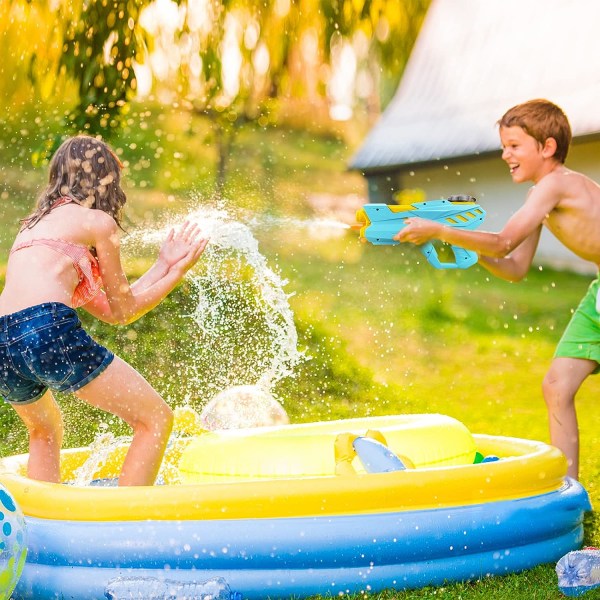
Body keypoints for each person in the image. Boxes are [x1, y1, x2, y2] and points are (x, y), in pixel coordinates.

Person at [395, 99, 600, 480]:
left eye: (515, 146)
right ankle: (568, 494)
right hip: (598, 295)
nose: (505, 154)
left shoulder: (556, 184)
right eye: (504, 145)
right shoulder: (541, 195)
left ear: (547, 147)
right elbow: (515, 267)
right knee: (556, 386)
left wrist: (440, 229)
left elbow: (504, 241)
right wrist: (462, 245)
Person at [0, 135, 208, 486]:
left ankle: (41, 529)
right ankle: (122, 527)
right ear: (105, 180)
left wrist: (161, 264)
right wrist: (176, 273)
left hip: (4, 339)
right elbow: (125, 312)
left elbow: (111, 308)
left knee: (44, 430)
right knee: (155, 419)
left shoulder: (33, 226)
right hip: (46, 328)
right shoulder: (98, 223)